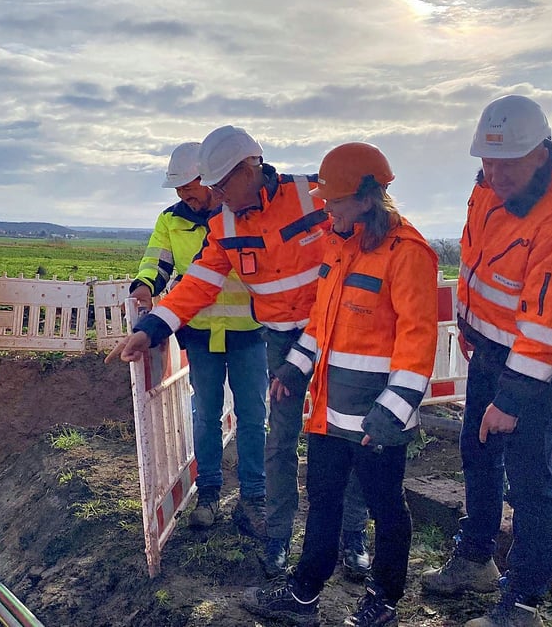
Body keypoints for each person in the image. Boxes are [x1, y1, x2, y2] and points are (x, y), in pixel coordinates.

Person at [108, 125, 369, 577]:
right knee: (281, 441)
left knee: (348, 437)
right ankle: (279, 539)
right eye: (214, 186)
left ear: (253, 167)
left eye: (224, 183)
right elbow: (197, 284)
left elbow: (367, 236)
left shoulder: (313, 195)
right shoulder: (225, 222)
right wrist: (150, 329)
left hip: (338, 332)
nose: (218, 194)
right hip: (280, 342)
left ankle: (353, 537)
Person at [240, 142, 439, 627]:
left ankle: (384, 600)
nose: (326, 210)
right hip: (330, 412)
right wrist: (294, 367)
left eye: (335, 202)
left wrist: (393, 412)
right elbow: (321, 324)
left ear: (367, 199)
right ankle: (305, 593)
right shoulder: (340, 245)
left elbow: (418, 340)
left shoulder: (408, 254)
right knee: (323, 500)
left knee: (385, 508)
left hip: (376, 420)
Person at [421, 95, 552, 627]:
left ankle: (522, 600)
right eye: (487, 163)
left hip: (535, 371)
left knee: (528, 481)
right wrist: (475, 339)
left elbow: (549, 330)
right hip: (490, 354)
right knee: (477, 456)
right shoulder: (489, 186)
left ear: (543, 153)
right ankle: (475, 558)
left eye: (507, 164)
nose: (494, 175)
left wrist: (512, 400)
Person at [129, 141, 267, 530]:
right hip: (201, 334)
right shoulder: (171, 220)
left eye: (188, 185)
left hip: (249, 332)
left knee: (254, 416)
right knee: (204, 416)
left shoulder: (240, 213)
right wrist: (143, 285)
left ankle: (254, 498)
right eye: (177, 188)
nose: (182, 194)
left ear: (207, 179)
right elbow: (156, 263)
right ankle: (208, 495)